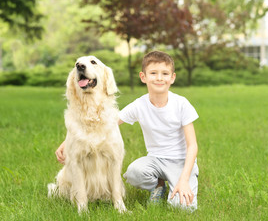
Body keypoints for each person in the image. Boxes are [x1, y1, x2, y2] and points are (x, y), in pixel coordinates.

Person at [55, 51, 199, 210]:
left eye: (164, 73)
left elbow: (192, 146)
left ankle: (180, 181)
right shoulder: (140, 104)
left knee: (183, 208)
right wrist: (68, 142)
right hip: (156, 161)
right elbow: (110, 121)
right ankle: (158, 185)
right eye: (153, 73)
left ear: (172, 78)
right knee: (133, 173)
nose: (159, 78)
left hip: (181, 163)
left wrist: (184, 180)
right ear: (143, 77)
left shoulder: (181, 104)